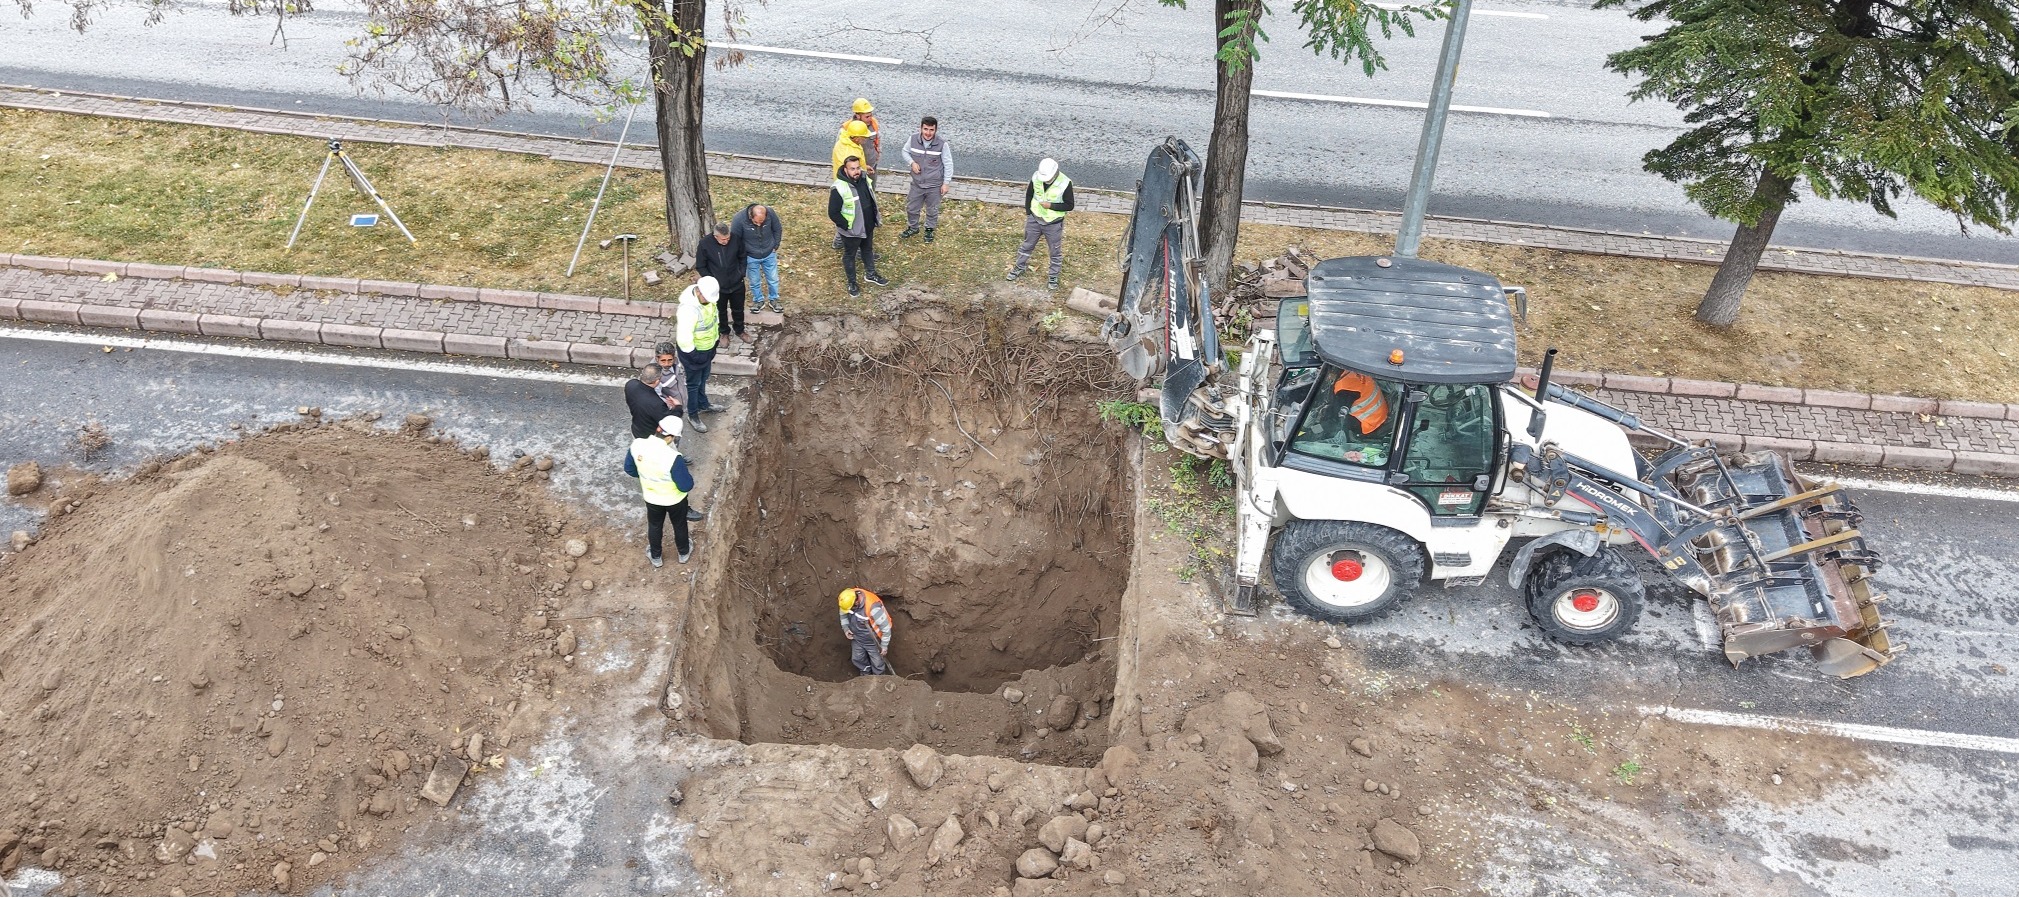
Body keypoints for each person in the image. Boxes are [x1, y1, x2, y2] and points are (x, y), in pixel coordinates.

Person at [629, 415, 696, 567]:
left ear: (658, 429)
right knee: (679, 525)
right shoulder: (673, 457)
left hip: (652, 498)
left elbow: (630, 469)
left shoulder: (637, 445)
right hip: (675, 500)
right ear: (672, 437)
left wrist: (647, 475)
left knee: (654, 525)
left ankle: (656, 557)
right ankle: (684, 553)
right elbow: (685, 485)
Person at [1007, 157, 1074, 291]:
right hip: (1035, 219)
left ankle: (1053, 276)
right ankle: (1019, 267)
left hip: (1053, 224)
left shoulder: (1065, 183)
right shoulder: (1036, 177)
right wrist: (1029, 213)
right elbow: (1029, 194)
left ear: (1055, 173)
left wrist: (1051, 205)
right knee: (1027, 245)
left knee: (1055, 251)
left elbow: (1069, 205)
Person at [830, 156, 889, 297]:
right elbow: (833, 213)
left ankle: (870, 274)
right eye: (852, 169)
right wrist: (846, 226)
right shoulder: (839, 188)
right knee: (849, 256)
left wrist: (874, 219)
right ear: (845, 170)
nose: (856, 171)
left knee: (867, 250)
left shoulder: (864, 178)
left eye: (857, 168)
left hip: (868, 225)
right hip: (851, 231)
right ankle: (852, 283)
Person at [675, 276, 727, 422]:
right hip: (694, 354)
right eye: (707, 298)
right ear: (699, 292)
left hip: (707, 350)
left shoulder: (708, 301)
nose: (710, 300)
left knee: (703, 379)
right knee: (693, 385)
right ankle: (693, 415)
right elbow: (684, 338)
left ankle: (703, 404)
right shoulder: (688, 310)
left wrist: (714, 342)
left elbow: (713, 320)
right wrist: (695, 356)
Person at [899, 116, 953, 243]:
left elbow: (948, 163)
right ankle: (913, 227)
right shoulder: (912, 139)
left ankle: (929, 229)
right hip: (917, 183)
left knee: (932, 209)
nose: (928, 133)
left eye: (931, 130)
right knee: (912, 208)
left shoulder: (942, 144)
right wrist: (912, 162)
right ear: (921, 128)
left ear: (935, 130)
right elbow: (904, 152)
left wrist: (946, 183)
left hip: (934, 185)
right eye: (925, 129)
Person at [695, 222, 750, 343]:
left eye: (728, 238)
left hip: (737, 283)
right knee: (720, 311)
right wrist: (711, 281)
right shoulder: (704, 244)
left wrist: (741, 273)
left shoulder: (736, 239)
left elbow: (742, 257)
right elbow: (701, 266)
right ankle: (724, 332)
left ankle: (740, 330)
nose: (726, 241)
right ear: (716, 236)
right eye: (723, 239)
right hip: (718, 287)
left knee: (738, 309)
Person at [732, 203, 783, 314]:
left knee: (773, 279)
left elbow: (777, 229)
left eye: (762, 222)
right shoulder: (739, 219)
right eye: (756, 222)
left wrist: (775, 245)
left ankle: (774, 299)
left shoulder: (770, 213)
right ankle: (758, 300)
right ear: (751, 215)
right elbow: (735, 239)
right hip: (750, 256)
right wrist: (742, 254)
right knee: (754, 280)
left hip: (769, 253)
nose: (759, 225)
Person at [837, 587, 892, 676]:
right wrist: (846, 628)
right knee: (857, 659)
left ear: (856, 602)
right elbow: (843, 614)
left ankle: (879, 679)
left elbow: (886, 629)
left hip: (873, 641)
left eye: (851, 608)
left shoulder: (873, 608)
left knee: (877, 664)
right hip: (857, 638)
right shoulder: (847, 600)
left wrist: (884, 646)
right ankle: (865, 675)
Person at [626, 364, 670, 439]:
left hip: (636, 429)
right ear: (657, 381)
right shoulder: (657, 403)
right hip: (650, 436)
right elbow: (668, 421)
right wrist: (677, 408)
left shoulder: (630, 384)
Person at [849, 98, 882, 174]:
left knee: (871, 182)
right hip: (855, 169)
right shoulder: (848, 128)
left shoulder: (874, 124)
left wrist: (878, 155)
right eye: (867, 117)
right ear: (858, 116)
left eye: (871, 115)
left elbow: (878, 139)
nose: (870, 119)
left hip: (872, 165)